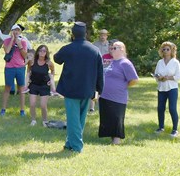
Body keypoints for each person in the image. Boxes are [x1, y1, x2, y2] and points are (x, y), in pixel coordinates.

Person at [54, 22, 104, 152]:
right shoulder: (95, 50)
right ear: (86, 33)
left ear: (72, 34)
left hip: (71, 88)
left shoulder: (68, 48)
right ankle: (70, 143)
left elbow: (57, 59)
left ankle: (76, 146)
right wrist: (99, 89)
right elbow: (100, 72)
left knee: (73, 119)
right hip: (88, 88)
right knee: (80, 119)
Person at [98, 41, 139, 144]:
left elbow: (134, 79)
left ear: (122, 49)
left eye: (115, 48)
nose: (112, 50)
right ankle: (111, 138)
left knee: (116, 118)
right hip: (105, 96)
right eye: (111, 48)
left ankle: (117, 140)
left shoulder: (125, 63)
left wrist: (123, 86)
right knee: (108, 118)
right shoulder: (113, 62)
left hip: (117, 97)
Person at [154, 41, 180, 138]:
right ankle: (161, 127)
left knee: (172, 109)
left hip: (172, 89)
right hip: (161, 88)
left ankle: (175, 130)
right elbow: (156, 74)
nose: (165, 51)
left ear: (172, 51)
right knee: (160, 108)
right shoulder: (159, 62)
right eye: (164, 49)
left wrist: (168, 77)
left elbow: (179, 76)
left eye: (167, 49)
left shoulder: (175, 62)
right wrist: (159, 77)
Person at [0, 25, 28, 116]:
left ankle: (22, 110)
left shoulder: (23, 41)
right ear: (11, 31)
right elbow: (7, 51)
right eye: (14, 30)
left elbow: (25, 56)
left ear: (20, 32)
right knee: (7, 87)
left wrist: (19, 45)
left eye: (17, 30)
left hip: (20, 67)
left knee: (21, 88)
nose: (16, 32)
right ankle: (3, 109)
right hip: (9, 67)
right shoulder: (6, 41)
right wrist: (12, 40)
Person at [27, 45, 55, 126]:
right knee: (32, 104)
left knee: (43, 105)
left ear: (46, 53)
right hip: (34, 85)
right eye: (40, 50)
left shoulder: (49, 63)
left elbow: (53, 71)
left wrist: (51, 79)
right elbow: (28, 70)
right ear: (38, 52)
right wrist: (28, 78)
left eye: (44, 51)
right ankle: (33, 120)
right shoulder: (32, 61)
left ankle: (45, 121)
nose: (42, 52)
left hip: (44, 86)